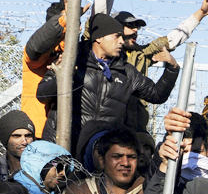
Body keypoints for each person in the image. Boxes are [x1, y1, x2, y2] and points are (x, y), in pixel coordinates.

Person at [20, 0, 130, 135]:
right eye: (72, 23)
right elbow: (38, 45)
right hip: (37, 136)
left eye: (76, 22)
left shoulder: (77, 53)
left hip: (71, 133)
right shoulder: (36, 56)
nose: (77, 27)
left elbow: (100, 21)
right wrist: (66, 17)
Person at [36, 14, 179, 155]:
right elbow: (42, 94)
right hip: (60, 146)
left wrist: (172, 69)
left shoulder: (127, 72)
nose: (122, 41)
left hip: (100, 153)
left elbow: (157, 95)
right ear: (99, 38)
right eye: (117, 36)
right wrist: (64, 78)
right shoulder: (72, 60)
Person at [115, 0, 208, 132]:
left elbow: (172, 39)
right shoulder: (101, 54)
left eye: (137, 27)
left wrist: (200, 13)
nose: (135, 30)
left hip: (135, 126)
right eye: (130, 26)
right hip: (110, 124)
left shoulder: (142, 54)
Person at [0, 111, 35, 182]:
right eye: (17, 136)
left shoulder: (47, 165)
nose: (24, 142)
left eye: (28, 136)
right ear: (5, 140)